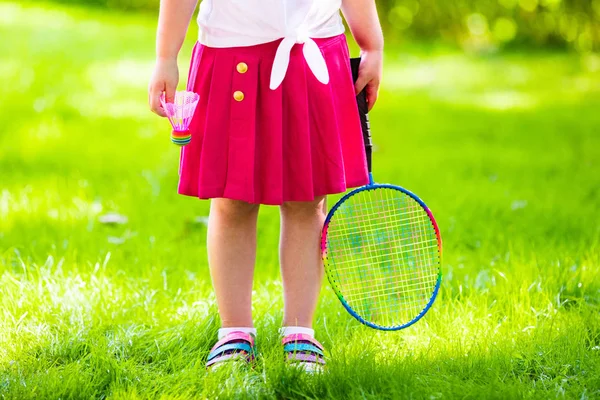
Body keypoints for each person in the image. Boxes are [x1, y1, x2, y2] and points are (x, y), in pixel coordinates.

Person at [148, 0, 383, 372]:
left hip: (314, 56)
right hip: (231, 56)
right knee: (231, 199)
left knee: (307, 201)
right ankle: (234, 333)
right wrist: (165, 56)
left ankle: (300, 333)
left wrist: (372, 44)